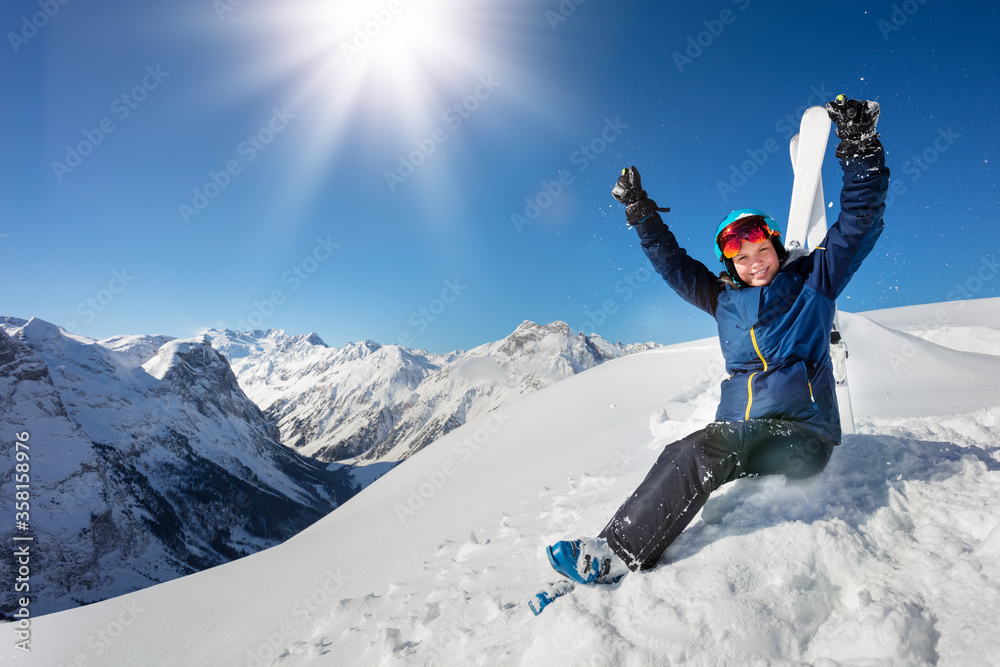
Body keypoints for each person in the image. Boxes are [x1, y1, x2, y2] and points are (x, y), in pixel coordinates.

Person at [545, 95, 890, 584]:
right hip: (746, 434)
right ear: (731, 265)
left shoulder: (814, 281)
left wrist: (859, 147)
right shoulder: (724, 301)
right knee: (681, 451)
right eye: (742, 257)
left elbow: (860, 221)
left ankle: (614, 557)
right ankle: (607, 548)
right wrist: (641, 213)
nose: (755, 262)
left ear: (774, 245)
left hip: (802, 437)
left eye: (761, 249)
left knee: (707, 448)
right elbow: (674, 264)